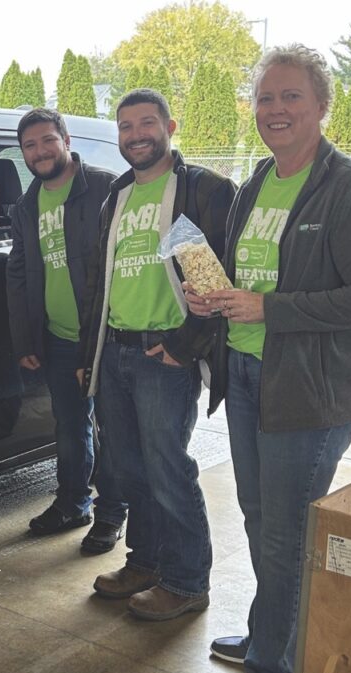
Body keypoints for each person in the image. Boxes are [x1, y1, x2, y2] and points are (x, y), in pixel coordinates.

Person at [185, 46, 351, 673]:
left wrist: (270, 309)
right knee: (258, 516)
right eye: (265, 99)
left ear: (321, 106)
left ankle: (276, 672)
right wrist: (216, 299)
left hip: (313, 389)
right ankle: (269, 631)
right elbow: (250, 278)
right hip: (251, 375)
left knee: (283, 535)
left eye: (290, 98)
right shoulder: (256, 184)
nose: (274, 110)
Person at [78, 89, 236, 620]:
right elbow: (100, 284)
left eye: (147, 123)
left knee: (169, 469)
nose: (136, 134)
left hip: (162, 354)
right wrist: (91, 353)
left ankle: (188, 581)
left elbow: (216, 283)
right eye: (126, 126)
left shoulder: (198, 190)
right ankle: (145, 562)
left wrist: (183, 347)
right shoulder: (117, 197)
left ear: (170, 125)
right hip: (116, 350)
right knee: (127, 469)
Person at [6, 107, 127, 553]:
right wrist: (26, 339)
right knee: (71, 426)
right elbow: (17, 274)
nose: (39, 152)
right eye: (30, 146)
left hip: (107, 335)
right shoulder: (26, 205)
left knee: (114, 429)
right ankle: (73, 502)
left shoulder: (105, 186)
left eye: (46, 140)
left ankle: (112, 512)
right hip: (57, 337)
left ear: (66, 139)